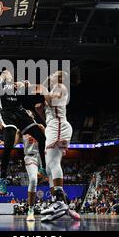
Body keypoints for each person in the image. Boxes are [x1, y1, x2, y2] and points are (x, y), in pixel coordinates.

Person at [0, 33, 47, 195]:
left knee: (41, 136)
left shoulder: (16, 85)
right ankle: (2, 178)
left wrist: (26, 84)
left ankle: (43, 168)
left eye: (8, 72)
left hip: (20, 112)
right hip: (8, 114)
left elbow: (34, 87)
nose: (6, 73)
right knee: (8, 146)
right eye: (4, 72)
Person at [35, 71, 80, 221]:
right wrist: (41, 112)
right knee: (48, 169)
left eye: (54, 73)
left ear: (59, 78)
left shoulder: (61, 87)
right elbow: (49, 116)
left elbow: (50, 99)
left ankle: (59, 201)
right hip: (52, 126)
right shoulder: (53, 90)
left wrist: (42, 87)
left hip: (59, 126)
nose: (51, 74)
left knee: (54, 162)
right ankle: (60, 204)